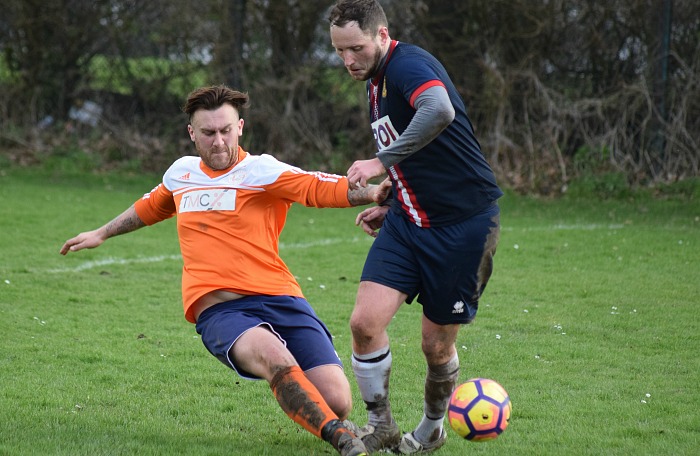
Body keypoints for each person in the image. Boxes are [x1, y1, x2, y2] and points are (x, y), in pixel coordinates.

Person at [59, 85, 392, 456]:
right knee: (274, 358)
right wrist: (102, 233)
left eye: (225, 131)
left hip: (281, 296)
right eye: (207, 133)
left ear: (240, 128)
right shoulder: (181, 174)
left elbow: (318, 187)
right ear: (191, 133)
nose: (218, 142)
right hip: (222, 311)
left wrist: (372, 193)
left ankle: (335, 420)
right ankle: (342, 439)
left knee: (335, 399)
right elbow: (149, 207)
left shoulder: (261, 170)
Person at [328, 1, 504, 454]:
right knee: (364, 324)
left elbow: (439, 110)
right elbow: (422, 151)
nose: (349, 60)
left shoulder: (408, 65)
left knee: (435, 346)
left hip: (463, 227)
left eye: (357, 48)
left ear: (383, 36)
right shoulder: (374, 78)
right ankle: (381, 425)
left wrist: (377, 161)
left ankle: (431, 427)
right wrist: (395, 195)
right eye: (340, 51)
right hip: (409, 221)